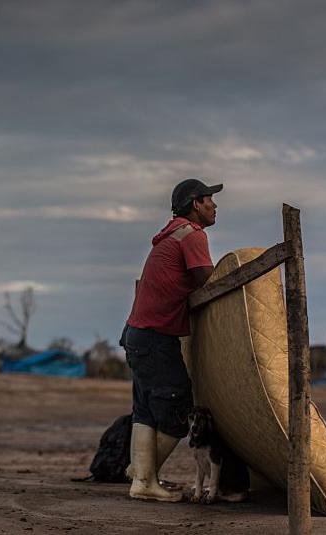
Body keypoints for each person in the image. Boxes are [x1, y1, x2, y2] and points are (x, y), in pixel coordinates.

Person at [121, 178, 219, 502]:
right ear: (195, 204)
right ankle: (145, 479)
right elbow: (209, 280)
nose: (214, 205)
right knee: (180, 408)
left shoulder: (168, 236)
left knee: (146, 410)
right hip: (154, 336)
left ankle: (141, 475)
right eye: (209, 200)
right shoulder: (192, 235)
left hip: (136, 335)